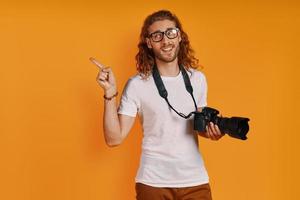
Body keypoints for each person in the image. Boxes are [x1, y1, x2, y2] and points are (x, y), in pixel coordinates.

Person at [91, 10, 224, 200]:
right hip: (153, 182)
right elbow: (114, 139)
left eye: (171, 33)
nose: (165, 41)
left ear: (179, 36)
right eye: (157, 36)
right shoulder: (137, 84)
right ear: (149, 43)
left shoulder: (198, 79)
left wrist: (213, 133)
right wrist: (110, 94)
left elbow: (199, 127)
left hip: (195, 181)